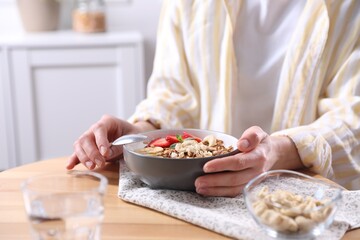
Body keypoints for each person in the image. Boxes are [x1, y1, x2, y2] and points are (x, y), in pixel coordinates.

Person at [67, 0, 360, 197]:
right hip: (199, 198)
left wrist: (274, 153)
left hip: (301, 201)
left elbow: (352, 118)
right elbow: (174, 93)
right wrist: (144, 134)